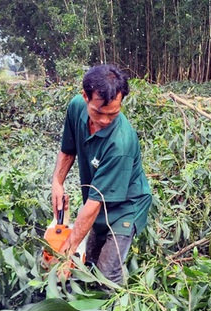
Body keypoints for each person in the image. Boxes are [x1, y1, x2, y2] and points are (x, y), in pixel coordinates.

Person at [51, 64, 152, 285]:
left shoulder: (120, 143)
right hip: (98, 202)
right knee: (90, 264)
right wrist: (57, 183)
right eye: (98, 112)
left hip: (127, 206)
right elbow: (68, 150)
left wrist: (66, 252)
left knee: (107, 276)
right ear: (85, 96)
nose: (105, 120)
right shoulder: (76, 107)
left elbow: (95, 204)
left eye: (113, 114)